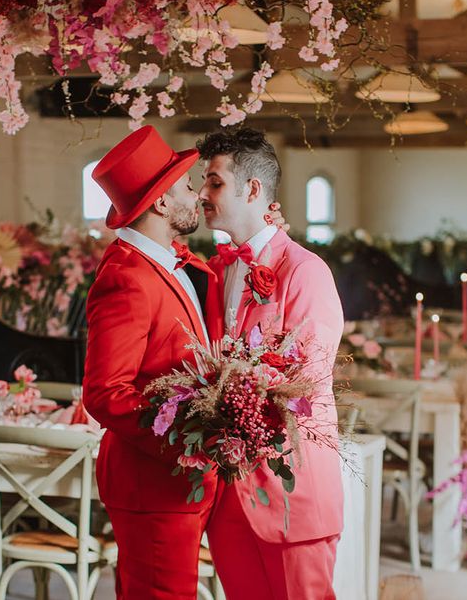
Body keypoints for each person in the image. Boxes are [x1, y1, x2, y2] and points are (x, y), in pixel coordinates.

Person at [197, 128, 345, 599]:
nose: (203, 193)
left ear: (253, 190)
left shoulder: (305, 271)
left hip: (292, 488)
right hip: (231, 493)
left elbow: (307, 376)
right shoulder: (218, 271)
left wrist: (232, 385)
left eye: (215, 182)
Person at [82, 125, 224, 599]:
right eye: (185, 185)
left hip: (181, 482)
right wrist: (187, 441)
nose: (195, 193)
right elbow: (104, 392)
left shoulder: (169, 262)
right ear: (162, 202)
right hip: (153, 482)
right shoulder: (127, 277)